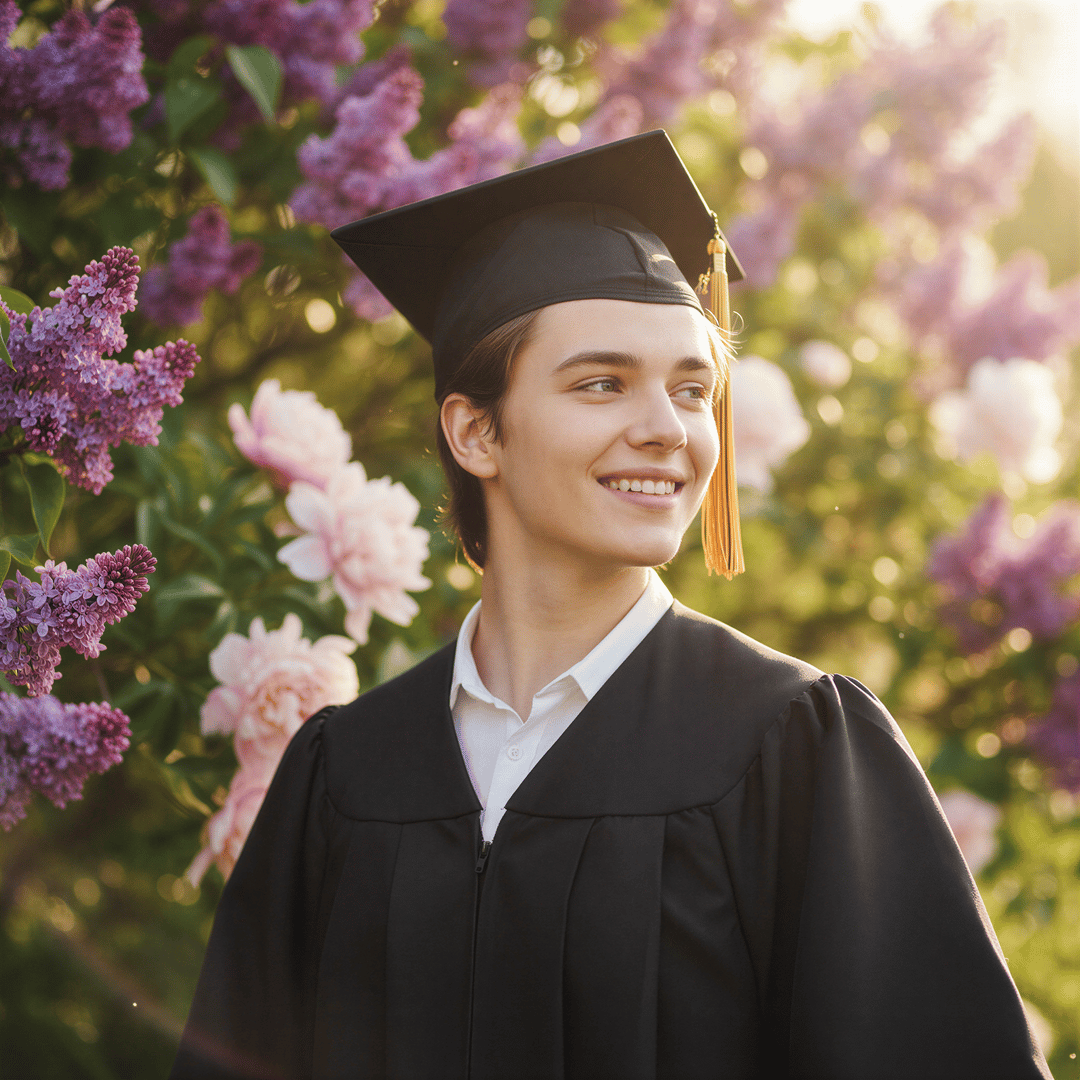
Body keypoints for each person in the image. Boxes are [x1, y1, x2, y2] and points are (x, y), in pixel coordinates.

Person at [170, 131, 1052, 1080]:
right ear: (475, 431)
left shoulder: (789, 746)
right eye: (602, 384)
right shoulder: (344, 773)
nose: (668, 430)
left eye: (692, 388)